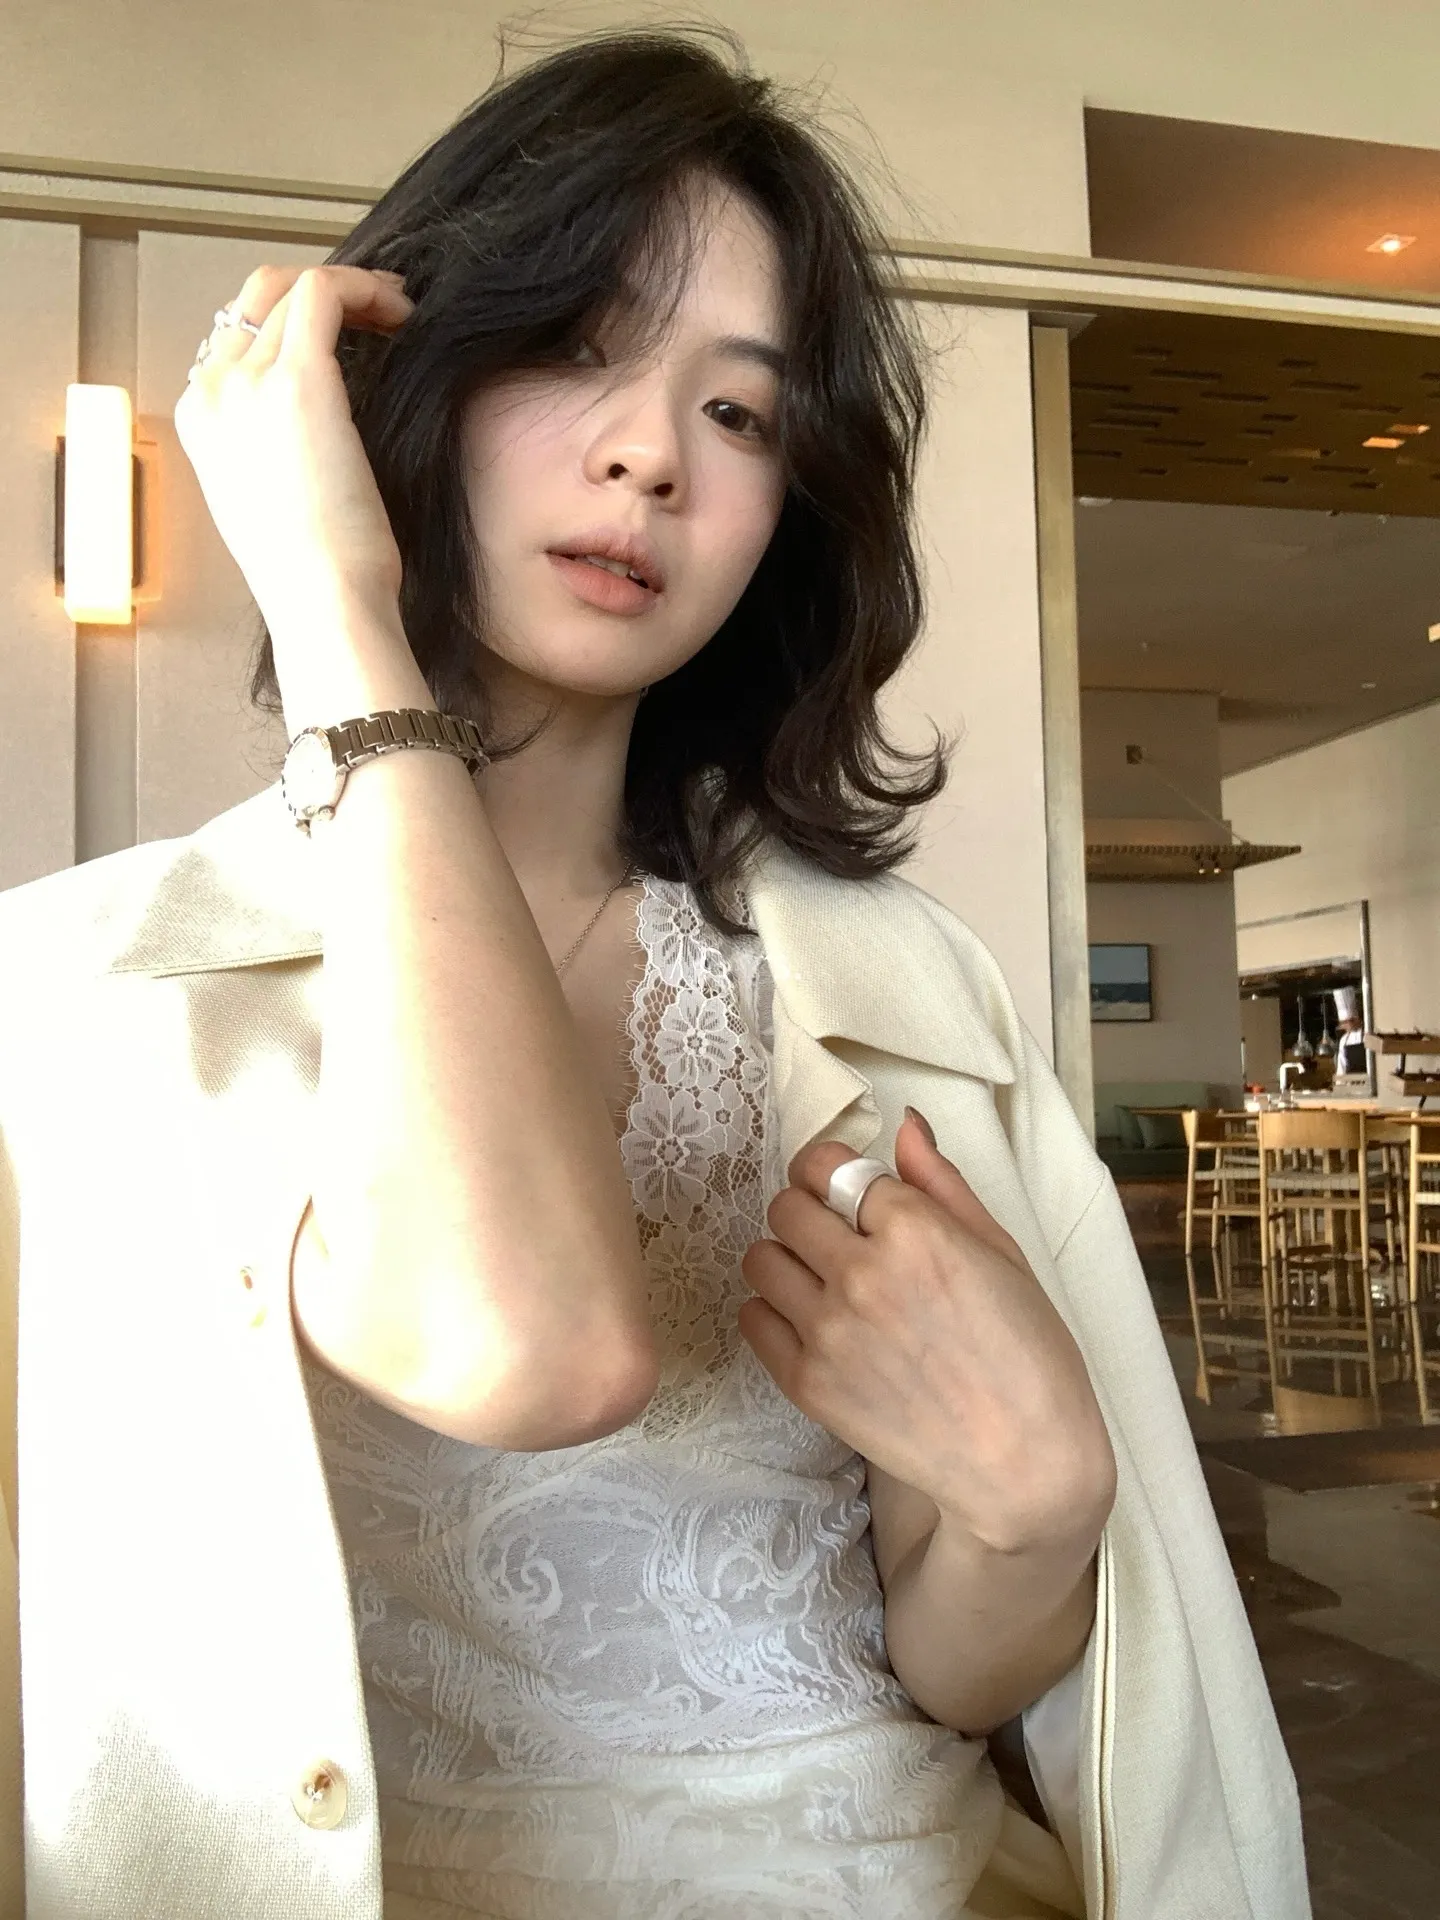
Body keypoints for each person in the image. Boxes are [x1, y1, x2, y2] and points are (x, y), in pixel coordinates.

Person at [0, 29, 1308, 1920]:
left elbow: (949, 1676)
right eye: (578, 346)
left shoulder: (905, 995)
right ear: (399, 387)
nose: (651, 453)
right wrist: (339, 613)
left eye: (743, 413)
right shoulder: (89, 999)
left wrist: (1035, 1508)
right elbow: (530, 1346)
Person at [1333, 986, 1368, 1077]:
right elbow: (1341, 1068)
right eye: (1343, 1023)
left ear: (1356, 1019)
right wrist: (1340, 1083)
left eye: (1347, 1022)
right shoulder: (1344, 1040)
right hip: (1350, 1082)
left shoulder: (1367, 1035)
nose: (1344, 1026)